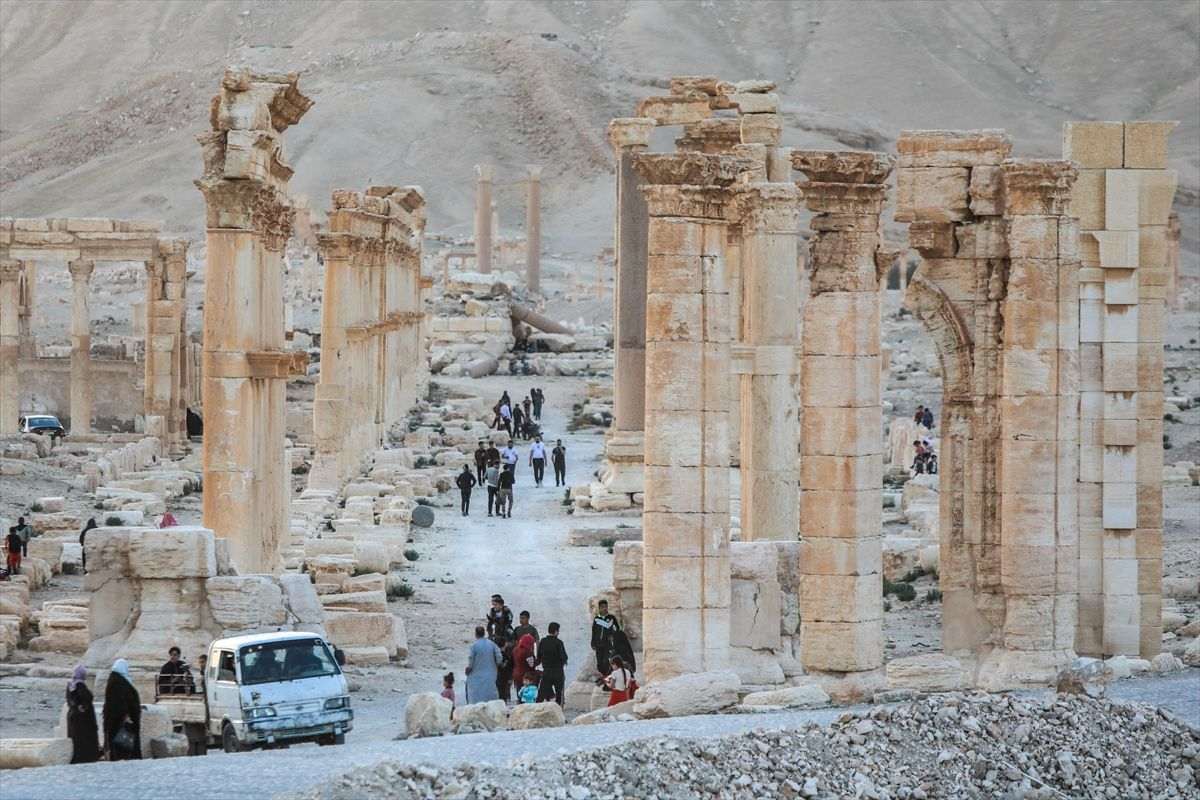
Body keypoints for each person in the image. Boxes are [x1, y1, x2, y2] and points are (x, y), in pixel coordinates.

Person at [103, 659, 142, 760]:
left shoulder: (117, 679)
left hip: (118, 719)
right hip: (121, 721)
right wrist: (126, 715)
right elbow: (119, 701)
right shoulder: (117, 681)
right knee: (123, 746)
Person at [66, 665, 100, 763]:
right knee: (85, 740)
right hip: (83, 719)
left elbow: (70, 700)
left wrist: (76, 706)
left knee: (76, 739)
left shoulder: (70, 685)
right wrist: (83, 707)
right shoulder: (80, 685)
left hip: (73, 716)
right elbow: (87, 698)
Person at [465, 626, 503, 704]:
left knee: (475, 695)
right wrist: (497, 664)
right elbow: (499, 657)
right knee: (491, 694)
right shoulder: (492, 644)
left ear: (476, 634)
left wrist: (469, 668)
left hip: (476, 675)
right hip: (491, 674)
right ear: (484, 633)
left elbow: (471, 659)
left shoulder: (474, 646)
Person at [535, 622, 568, 705]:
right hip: (558, 672)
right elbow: (564, 657)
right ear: (556, 631)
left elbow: (538, 657)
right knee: (559, 694)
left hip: (547, 671)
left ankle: (536, 709)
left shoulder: (543, 642)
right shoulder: (559, 643)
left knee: (541, 694)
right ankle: (558, 710)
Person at [591, 600, 621, 679]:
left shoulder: (611, 618)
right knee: (599, 663)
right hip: (598, 644)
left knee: (606, 661)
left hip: (608, 644)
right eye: (602, 607)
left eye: (606, 607)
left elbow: (617, 629)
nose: (605, 609)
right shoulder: (597, 619)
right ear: (599, 608)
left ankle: (607, 677)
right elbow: (594, 631)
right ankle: (604, 677)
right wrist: (592, 643)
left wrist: (613, 636)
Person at [495, 632, 514, 703]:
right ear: (505, 644)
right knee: (503, 694)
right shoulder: (505, 655)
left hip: (497, 676)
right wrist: (510, 677)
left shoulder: (495, 654)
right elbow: (507, 667)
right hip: (504, 677)